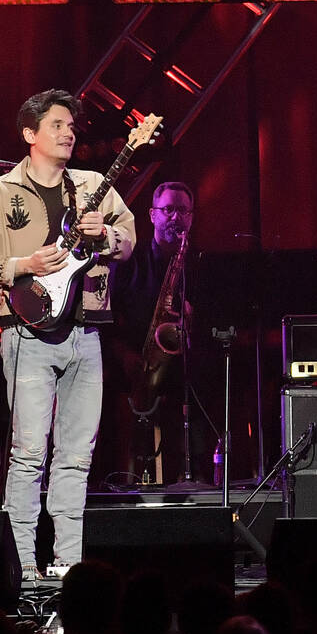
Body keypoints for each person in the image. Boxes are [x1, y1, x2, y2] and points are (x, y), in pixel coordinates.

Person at [0, 89, 135, 582]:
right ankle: (23, 566)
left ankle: (69, 566)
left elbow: (129, 239)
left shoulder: (93, 185)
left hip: (87, 333)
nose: (68, 132)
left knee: (77, 456)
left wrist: (109, 236)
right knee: (28, 453)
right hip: (27, 334)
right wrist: (22, 264)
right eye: (57, 124)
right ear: (29, 135)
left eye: (71, 125)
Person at [108, 180, 212, 485]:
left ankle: (195, 480)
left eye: (183, 211)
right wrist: (124, 354)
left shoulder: (200, 265)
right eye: (168, 210)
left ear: (192, 217)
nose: (175, 217)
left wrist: (195, 319)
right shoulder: (129, 261)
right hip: (133, 367)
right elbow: (108, 312)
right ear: (152, 215)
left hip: (181, 372)